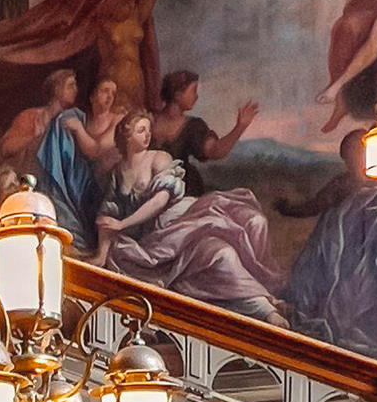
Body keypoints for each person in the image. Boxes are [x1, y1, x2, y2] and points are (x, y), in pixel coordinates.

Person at [96, 112, 283, 321]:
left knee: (236, 235)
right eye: (141, 130)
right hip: (157, 239)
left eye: (149, 129)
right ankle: (262, 307)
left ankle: (266, 308)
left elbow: (160, 201)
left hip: (182, 220)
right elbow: (107, 215)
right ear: (126, 136)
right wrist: (102, 255)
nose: (147, 135)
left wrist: (123, 223)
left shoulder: (159, 158)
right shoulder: (117, 172)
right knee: (220, 255)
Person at [281, 131, 377, 355]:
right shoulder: (342, 184)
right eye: (352, 155)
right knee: (337, 289)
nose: (358, 159)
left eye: (362, 152)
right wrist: (289, 209)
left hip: (372, 244)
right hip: (339, 246)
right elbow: (316, 204)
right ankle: (340, 328)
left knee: (367, 286)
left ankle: (367, 333)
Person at [33, 74, 124, 247]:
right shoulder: (82, 118)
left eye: (113, 92)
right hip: (83, 177)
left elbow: (96, 150)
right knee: (60, 124)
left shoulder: (116, 119)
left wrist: (79, 129)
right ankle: (56, 192)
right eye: (105, 91)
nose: (110, 96)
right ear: (92, 96)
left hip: (103, 182)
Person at [154, 73, 259, 176]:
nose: (196, 97)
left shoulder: (193, 126)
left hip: (183, 187)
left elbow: (214, 151)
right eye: (193, 91)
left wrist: (240, 126)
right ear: (177, 95)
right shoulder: (147, 120)